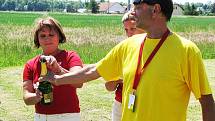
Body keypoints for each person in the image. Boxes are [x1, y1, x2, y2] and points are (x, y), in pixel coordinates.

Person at [42, 0, 215, 121]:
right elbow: (93, 71)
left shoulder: (187, 51)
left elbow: (206, 102)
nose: (132, 12)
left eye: (138, 6)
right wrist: (57, 79)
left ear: (155, 9)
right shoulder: (129, 45)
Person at [23, 17, 83, 121]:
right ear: (37, 39)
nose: (47, 38)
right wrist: (36, 96)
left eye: (51, 35)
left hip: (68, 116)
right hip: (42, 117)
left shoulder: (70, 56)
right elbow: (26, 98)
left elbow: (79, 82)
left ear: (59, 36)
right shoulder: (30, 64)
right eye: (42, 36)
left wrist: (58, 70)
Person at [105, 11, 144, 121]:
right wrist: (120, 80)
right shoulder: (123, 50)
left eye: (133, 28)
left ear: (143, 26)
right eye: (126, 30)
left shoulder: (152, 50)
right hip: (121, 103)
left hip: (144, 104)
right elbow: (108, 86)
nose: (129, 34)